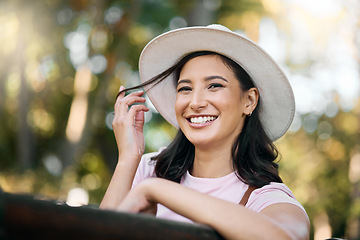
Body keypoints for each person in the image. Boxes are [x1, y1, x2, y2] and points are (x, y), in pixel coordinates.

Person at [100, 24, 310, 239]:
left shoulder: (265, 197)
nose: (196, 102)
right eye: (185, 89)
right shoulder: (149, 168)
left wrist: (154, 190)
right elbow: (96, 234)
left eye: (214, 86)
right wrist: (127, 159)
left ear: (249, 100)